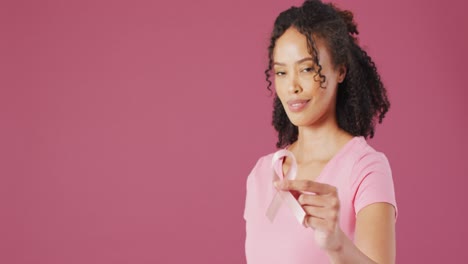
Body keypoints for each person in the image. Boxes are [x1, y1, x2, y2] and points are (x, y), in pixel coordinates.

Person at [243, 0, 397, 263]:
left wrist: (337, 245)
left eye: (306, 69)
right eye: (281, 72)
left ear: (340, 70)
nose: (292, 86)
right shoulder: (261, 174)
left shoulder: (366, 168)